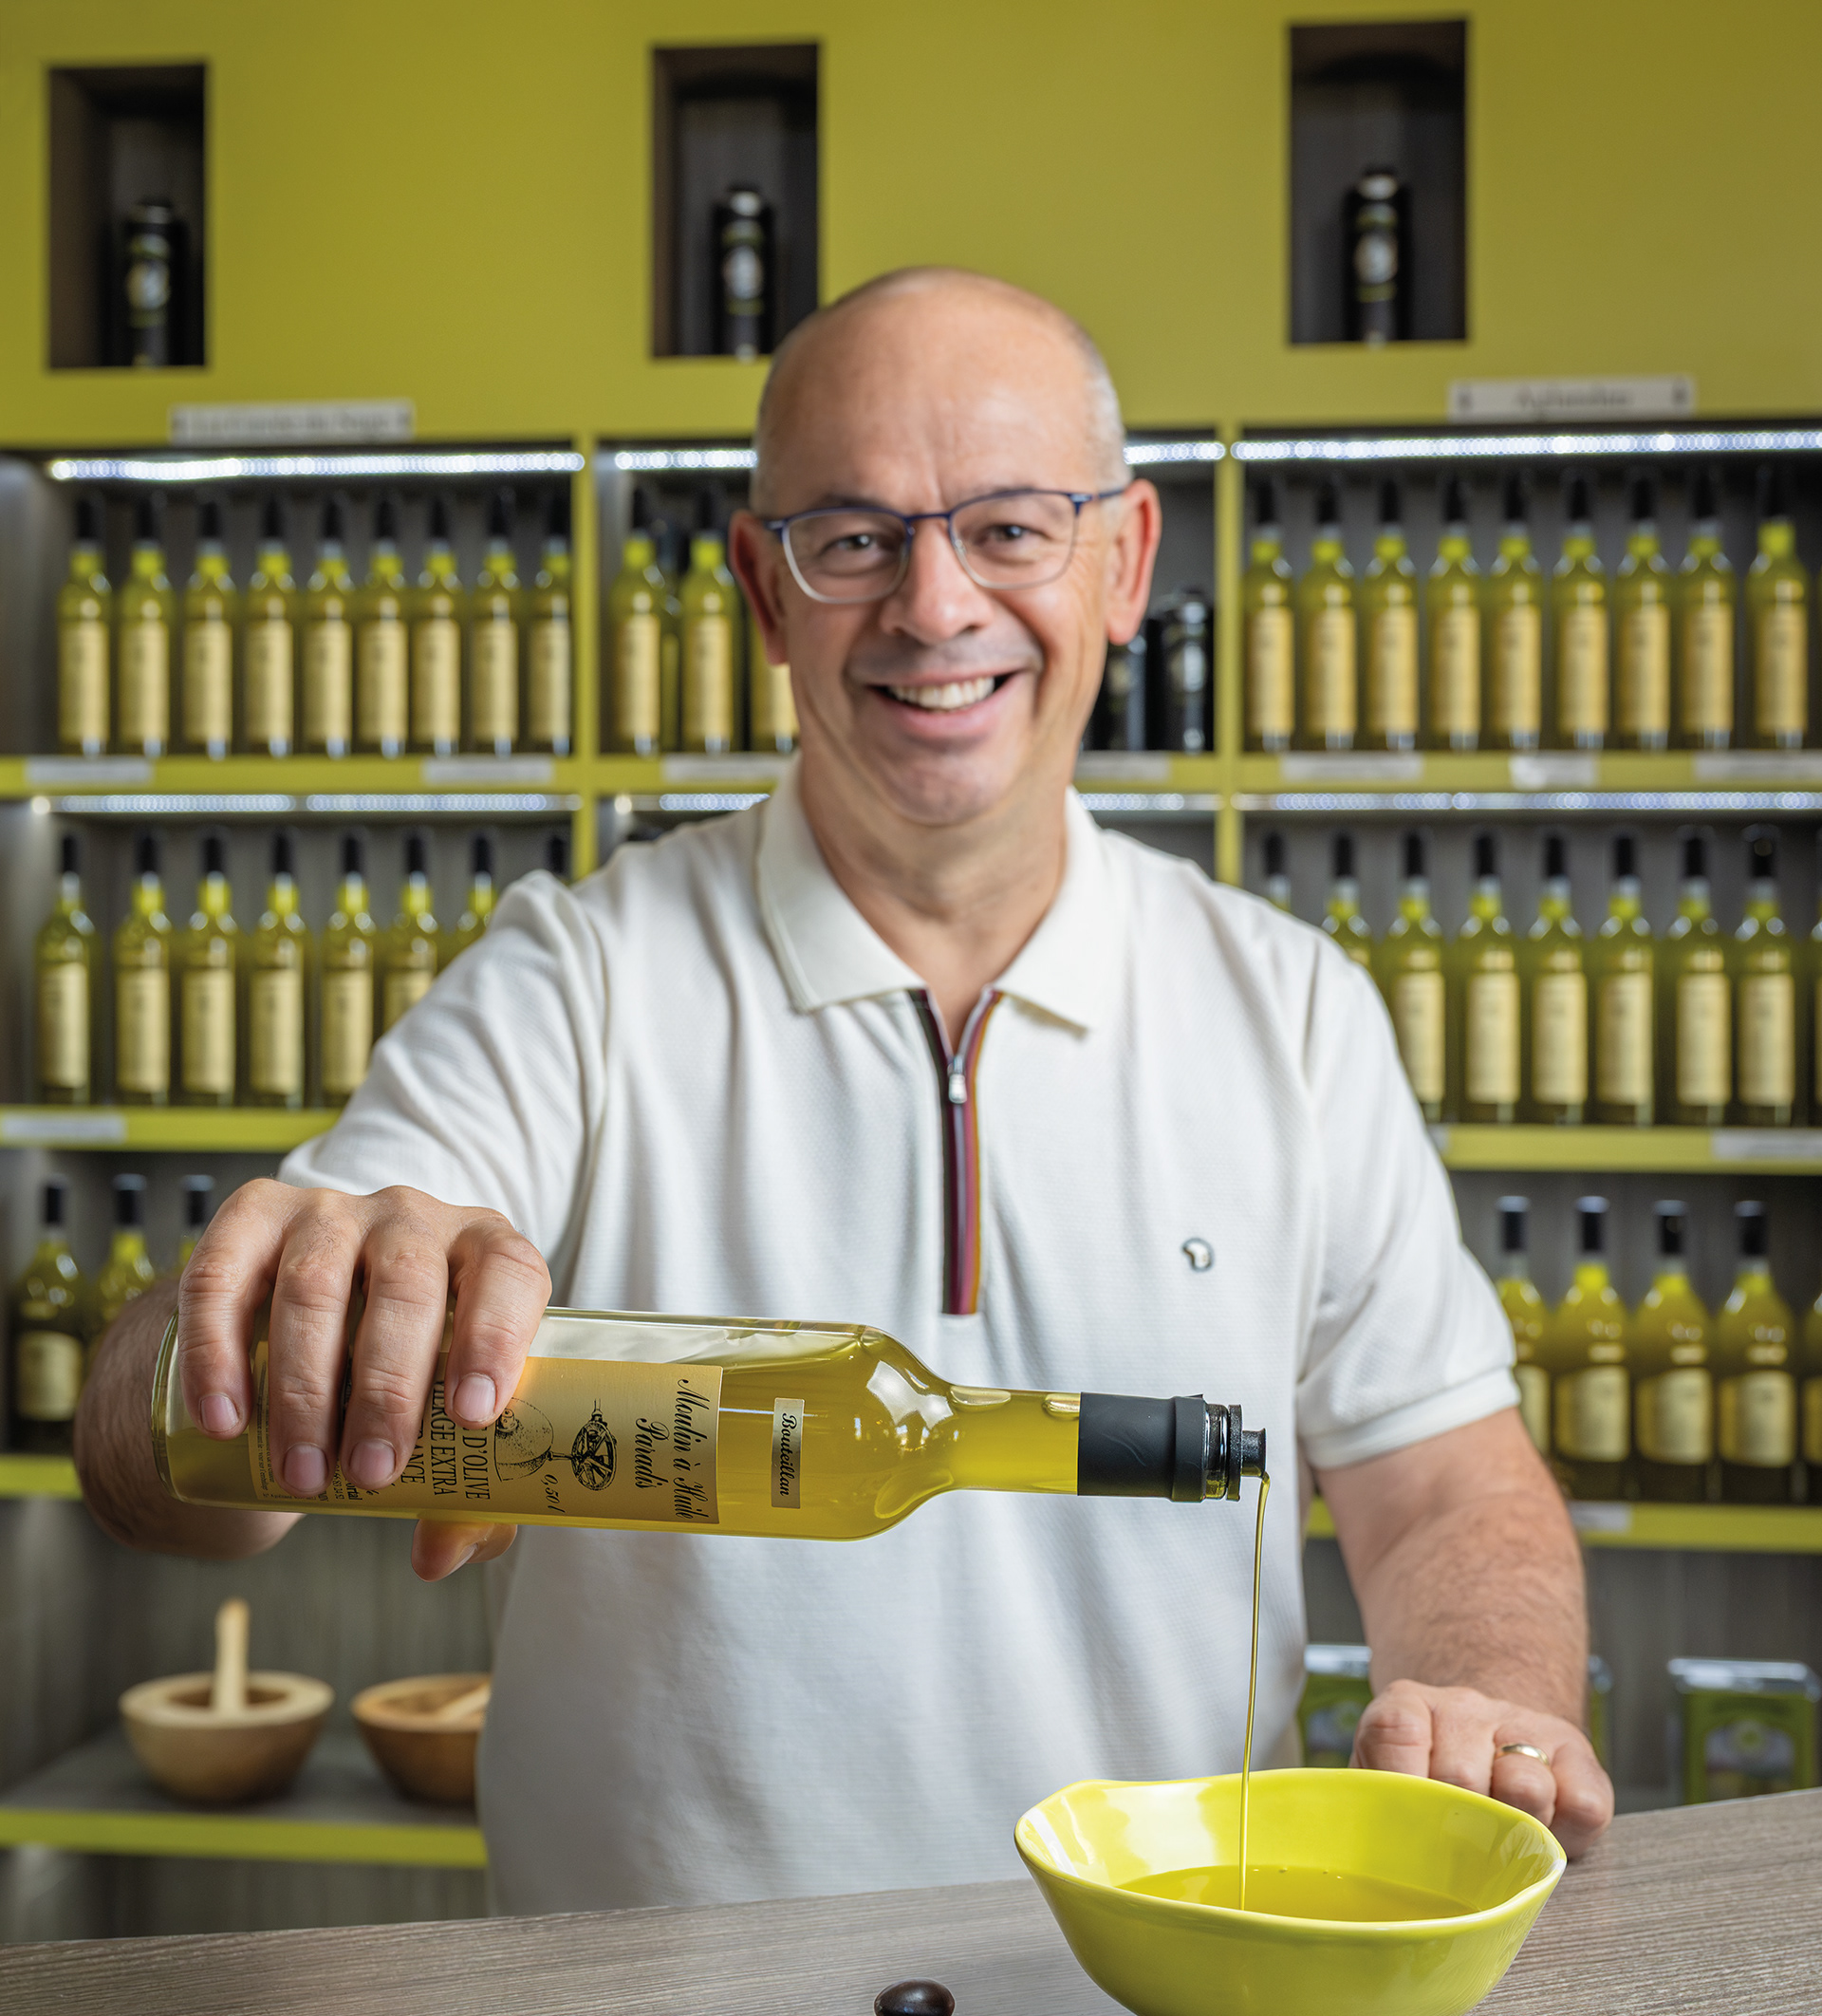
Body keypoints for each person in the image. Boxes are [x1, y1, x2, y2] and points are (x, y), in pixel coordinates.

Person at [77, 269, 1613, 1911]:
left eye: (1011, 528)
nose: (936, 607)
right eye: (856, 537)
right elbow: (154, 1468)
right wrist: (277, 1316)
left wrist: (1489, 1702)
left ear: (1126, 564)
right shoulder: (580, 979)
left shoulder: (1290, 1008)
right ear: (761, 585)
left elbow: (1445, 1484)